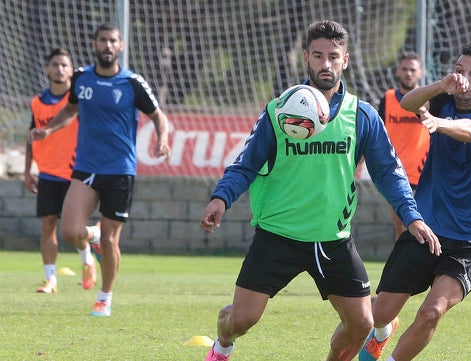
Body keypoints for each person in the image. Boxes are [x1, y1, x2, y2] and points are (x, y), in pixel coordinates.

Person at [199, 20, 440, 361]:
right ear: (306, 59)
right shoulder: (279, 112)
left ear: (346, 61)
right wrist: (221, 198)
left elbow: (389, 172)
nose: (325, 64)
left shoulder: (363, 116)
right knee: (242, 319)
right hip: (277, 235)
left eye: (333, 56)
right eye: (318, 56)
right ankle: (222, 344)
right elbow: (245, 164)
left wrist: (411, 216)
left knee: (361, 325)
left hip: (332, 239)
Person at [359, 43, 471, 361]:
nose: (466, 79)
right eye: (461, 71)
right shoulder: (442, 100)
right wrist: (442, 84)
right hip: (426, 229)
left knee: (433, 310)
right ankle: (382, 332)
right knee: (377, 313)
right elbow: (406, 102)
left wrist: (439, 123)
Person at [29, 23, 170, 316]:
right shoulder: (80, 78)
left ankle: (104, 296)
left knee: (110, 239)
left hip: (120, 170)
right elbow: (70, 109)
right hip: (86, 167)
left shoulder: (132, 83)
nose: (107, 45)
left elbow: (158, 115)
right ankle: (90, 236)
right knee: (69, 231)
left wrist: (163, 138)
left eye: (112, 41)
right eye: (102, 40)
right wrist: (49, 130)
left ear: (120, 46)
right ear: (94, 44)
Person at [24, 48, 102, 294]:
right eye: (55, 64)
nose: (59, 69)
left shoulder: (78, 100)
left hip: (75, 172)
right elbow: (31, 137)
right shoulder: (37, 102)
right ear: (47, 69)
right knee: (47, 224)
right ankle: (50, 280)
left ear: (71, 70)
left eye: (64, 65)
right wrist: (28, 170)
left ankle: (88, 254)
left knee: (73, 229)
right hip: (47, 172)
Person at [378, 50, 430, 240]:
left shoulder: (427, 100)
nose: (409, 73)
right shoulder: (388, 99)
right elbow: (378, 134)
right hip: (395, 172)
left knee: (424, 224)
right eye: (405, 69)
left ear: (420, 73)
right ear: (398, 71)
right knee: (400, 225)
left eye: (413, 70)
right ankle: (403, 265)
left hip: (423, 173)